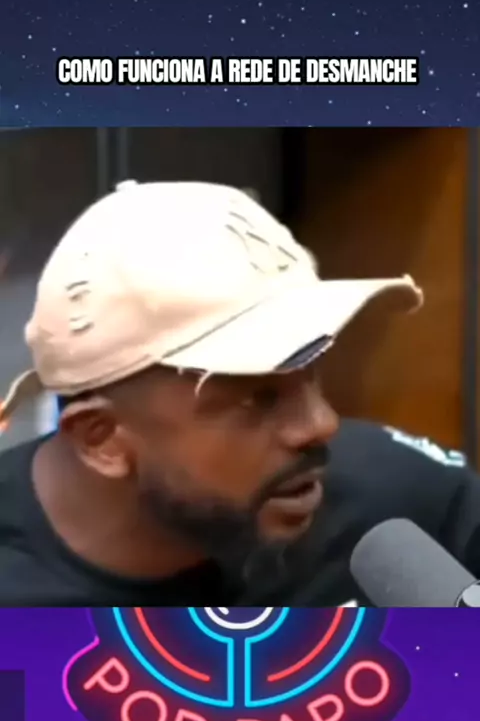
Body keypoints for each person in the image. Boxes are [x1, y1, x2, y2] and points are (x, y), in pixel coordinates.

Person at [0, 180, 477, 607]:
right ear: (101, 438)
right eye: (259, 399)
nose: (322, 424)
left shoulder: (394, 503)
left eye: (312, 373)